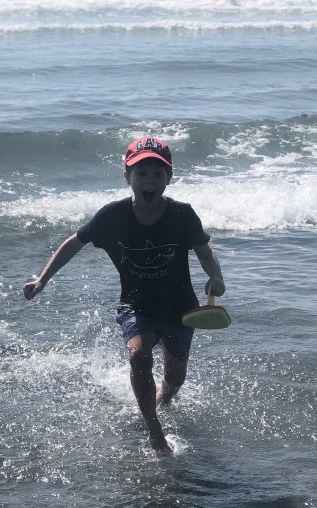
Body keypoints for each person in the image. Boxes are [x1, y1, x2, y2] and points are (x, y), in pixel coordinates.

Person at [23, 136, 226, 454]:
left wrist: (216, 276)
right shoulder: (112, 216)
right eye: (141, 173)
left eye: (157, 174)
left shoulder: (182, 215)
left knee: (175, 378)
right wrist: (42, 279)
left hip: (180, 308)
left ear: (168, 178)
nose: (149, 181)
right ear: (127, 177)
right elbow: (73, 243)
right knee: (138, 356)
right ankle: (153, 431)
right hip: (137, 305)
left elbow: (204, 251)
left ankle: (161, 396)